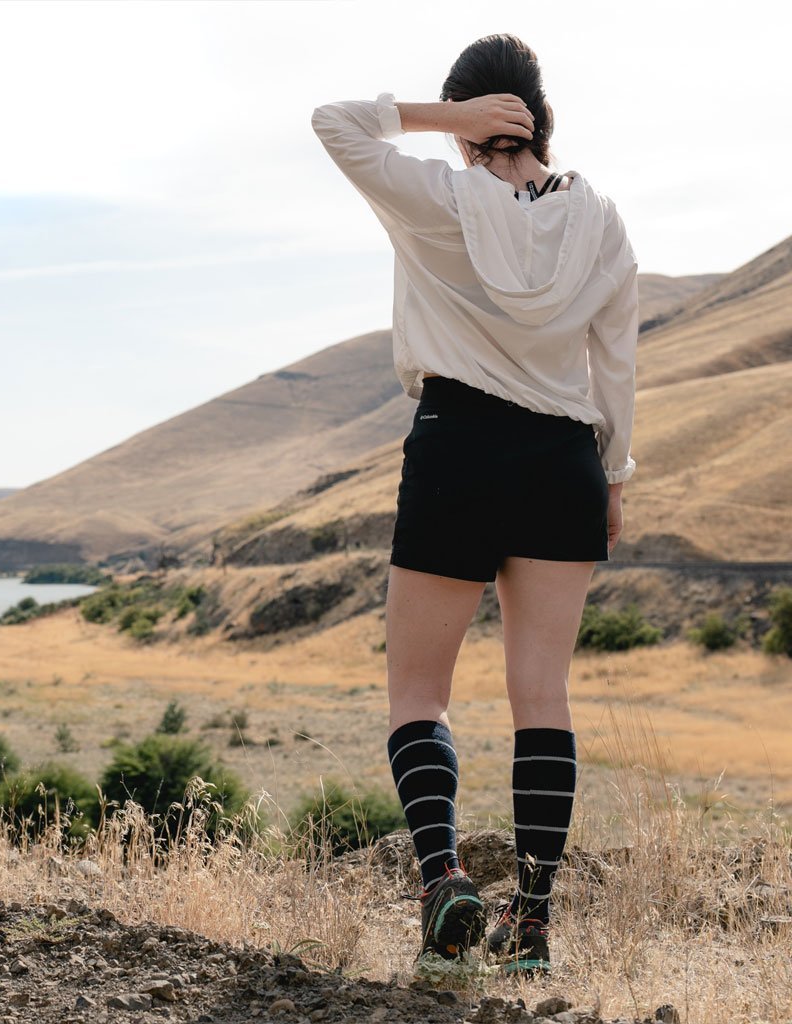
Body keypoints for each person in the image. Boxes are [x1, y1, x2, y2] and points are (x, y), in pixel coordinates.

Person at [311, 33, 638, 977]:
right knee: (544, 698)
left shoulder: (441, 196)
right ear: (539, 116)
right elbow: (614, 358)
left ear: (473, 123)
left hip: (459, 445)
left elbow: (335, 123)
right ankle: (531, 929)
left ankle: (445, 882)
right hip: (565, 460)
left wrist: (440, 119)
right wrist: (614, 476)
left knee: (419, 696)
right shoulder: (602, 222)